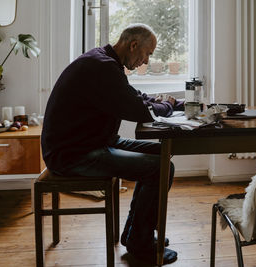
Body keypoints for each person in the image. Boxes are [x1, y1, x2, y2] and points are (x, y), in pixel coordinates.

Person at [41, 24, 178, 264]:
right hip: (73, 154)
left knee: (162, 153)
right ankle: (140, 243)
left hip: (94, 143)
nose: (145, 61)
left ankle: (135, 233)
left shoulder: (104, 62)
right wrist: (166, 107)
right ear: (133, 45)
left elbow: (133, 96)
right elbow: (137, 109)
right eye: (147, 53)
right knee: (159, 168)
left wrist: (170, 103)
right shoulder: (101, 67)